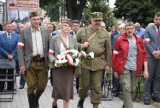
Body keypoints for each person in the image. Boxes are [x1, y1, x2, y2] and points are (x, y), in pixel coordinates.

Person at [76, 12, 112, 108]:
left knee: (97, 87)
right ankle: (82, 98)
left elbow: (108, 49)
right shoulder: (82, 31)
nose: (98, 22)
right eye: (95, 20)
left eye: (99, 20)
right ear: (91, 21)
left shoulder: (105, 33)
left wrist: (108, 64)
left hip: (99, 62)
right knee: (84, 86)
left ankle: (95, 105)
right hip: (85, 62)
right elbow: (74, 44)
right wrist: (81, 46)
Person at [18, 11, 50, 108]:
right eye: (34, 19)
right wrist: (21, 64)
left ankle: (35, 100)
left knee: (42, 86)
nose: (36, 21)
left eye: (38, 19)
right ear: (29, 20)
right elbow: (20, 49)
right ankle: (32, 106)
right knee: (31, 85)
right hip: (30, 62)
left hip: (43, 62)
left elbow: (50, 47)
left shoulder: (45, 30)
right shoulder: (24, 31)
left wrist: (51, 60)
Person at [112, 22, 149, 108]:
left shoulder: (139, 40)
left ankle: (125, 105)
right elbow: (114, 55)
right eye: (127, 29)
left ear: (134, 29)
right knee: (126, 88)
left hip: (136, 68)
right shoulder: (120, 40)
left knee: (133, 90)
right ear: (125, 30)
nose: (129, 30)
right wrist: (115, 70)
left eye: (131, 28)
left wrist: (146, 70)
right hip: (124, 67)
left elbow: (144, 55)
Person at [48, 18, 78, 108]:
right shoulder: (54, 38)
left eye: (69, 26)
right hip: (58, 67)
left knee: (68, 90)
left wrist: (74, 59)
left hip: (68, 68)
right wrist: (54, 60)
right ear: (61, 26)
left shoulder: (73, 39)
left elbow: (76, 52)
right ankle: (55, 101)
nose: (67, 28)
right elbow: (50, 53)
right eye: (65, 26)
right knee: (57, 88)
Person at [143, 12, 160, 105]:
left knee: (158, 77)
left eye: (159, 19)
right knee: (148, 77)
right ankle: (146, 97)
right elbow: (146, 43)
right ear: (154, 19)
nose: (158, 21)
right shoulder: (148, 29)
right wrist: (154, 52)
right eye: (156, 19)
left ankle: (156, 95)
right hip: (150, 56)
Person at [0, 22, 19, 91]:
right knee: (2, 73)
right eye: (8, 26)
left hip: (13, 57)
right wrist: (7, 55)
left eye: (11, 26)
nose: (10, 28)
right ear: (5, 27)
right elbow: (0, 47)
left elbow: (17, 47)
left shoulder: (17, 36)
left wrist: (12, 55)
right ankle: (1, 88)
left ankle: (10, 88)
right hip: (3, 57)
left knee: (11, 73)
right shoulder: (1, 36)